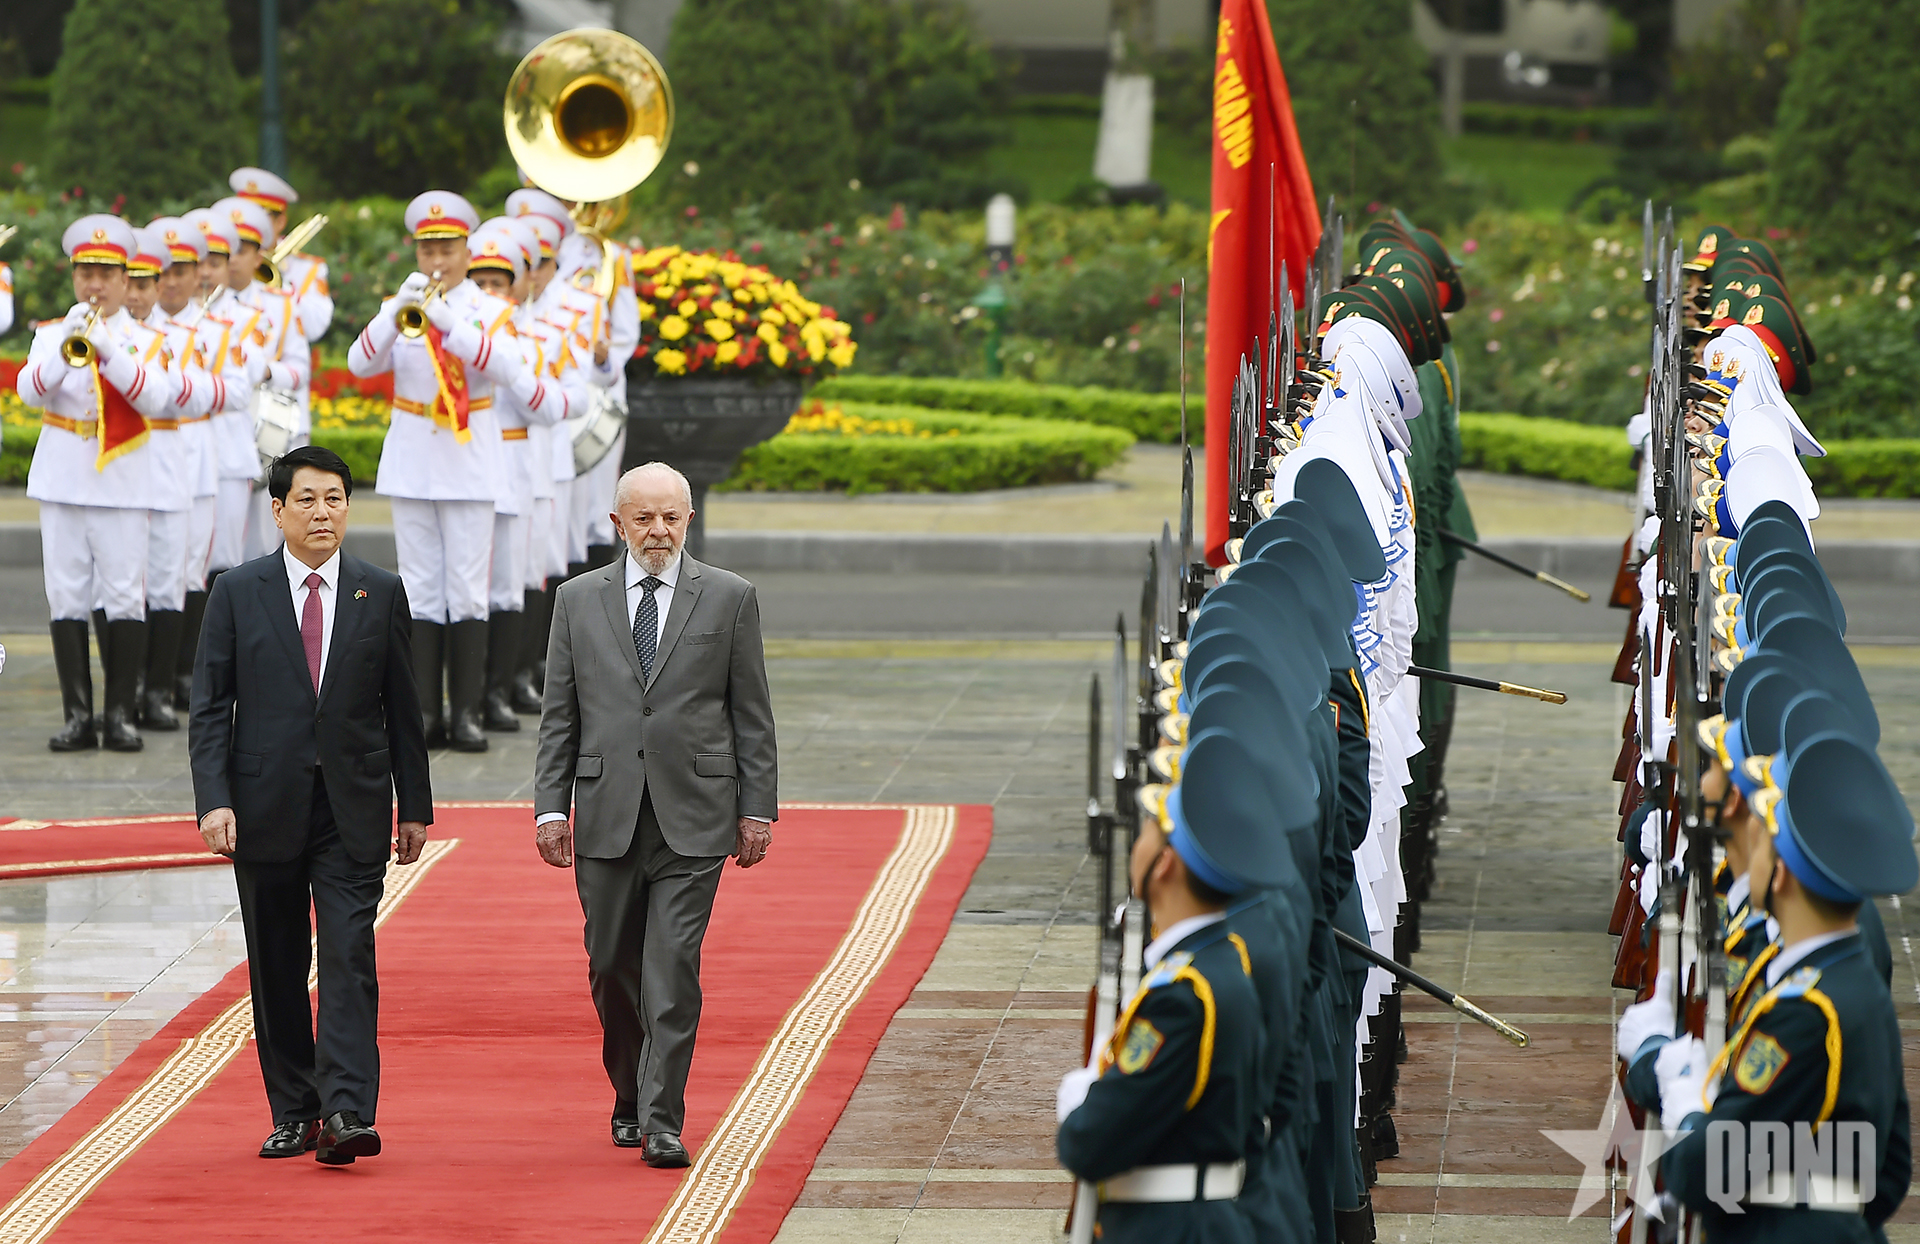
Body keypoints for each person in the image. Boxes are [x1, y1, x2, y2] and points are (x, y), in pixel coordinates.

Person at [188, 445, 432, 1165]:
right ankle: (295, 1109)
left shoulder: (380, 590)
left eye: (335, 499)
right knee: (278, 962)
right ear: (278, 510)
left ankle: (349, 1109)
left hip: (352, 805)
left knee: (350, 954)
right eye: (307, 500)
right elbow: (210, 708)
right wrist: (214, 801)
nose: (322, 512)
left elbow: (404, 707)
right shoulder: (237, 590)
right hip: (263, 806)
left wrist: (413, 806)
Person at [534, 461, 777, 1167]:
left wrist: (756, 809)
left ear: (689, 521)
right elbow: (560, 715)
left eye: (671, 517)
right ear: (618, 524)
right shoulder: (577, 601)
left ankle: (664, 1118)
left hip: (694, 816)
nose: (659, 530)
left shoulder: (730, 597)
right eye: (644, 518)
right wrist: (551, 809)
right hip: (606, 811)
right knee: (611, 967)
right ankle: (630, 1094)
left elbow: (751, 713)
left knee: (672, 969)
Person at [1056, 726, 1293, 1244]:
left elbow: (1089, 1144)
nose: (1137, 843)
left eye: (1148, 831)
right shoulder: (1221, 963)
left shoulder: (1182, 996)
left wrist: (1080, 1102)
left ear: (1165, 862)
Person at [347, 191, 527, 751]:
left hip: (469, 459)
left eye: (446, 249)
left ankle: (466, 712)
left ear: (468, 250)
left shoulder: (493, 312)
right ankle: (423, 711)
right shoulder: (404, 306)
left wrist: (450, 322)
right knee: (420, 590)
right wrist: (390, 313)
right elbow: (359, 363)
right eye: (427, 249)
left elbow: (508, 369)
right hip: (413, 460)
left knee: (468, 590)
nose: (436, 261)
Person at [16, 215, 178, 751]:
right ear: (74, 276)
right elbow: (29, 392)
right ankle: (77, 716)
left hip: (122, 481)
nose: (95, 285)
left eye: (106, 274)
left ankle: (120, 715)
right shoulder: (50, 334)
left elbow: (155, 399)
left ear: (123, 277)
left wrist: (105, 348)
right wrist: (67, 347)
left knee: (124, 595)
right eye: (86, 272)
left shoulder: (144, 339)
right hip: (63, 478)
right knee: (65, 596)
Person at [230, 166, 333, 344]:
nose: (251, 224)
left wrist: (280, 285)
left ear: (280, 222)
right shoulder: (225, 260)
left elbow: (316, 327)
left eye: (260, 216)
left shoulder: (308, 269)